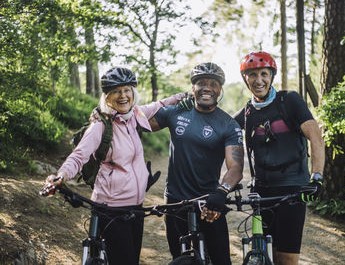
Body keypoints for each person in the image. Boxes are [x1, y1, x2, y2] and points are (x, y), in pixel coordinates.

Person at [42, 67, 186, 265]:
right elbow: (78, 156)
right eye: (117, 91)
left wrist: (185, 96)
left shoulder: (136, 115)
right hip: (110, 209)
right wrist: (61, 176)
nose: (123, 95)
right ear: (107, 97)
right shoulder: (100, 126)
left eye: (127, 90)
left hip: (135, 207)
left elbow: (160, 104)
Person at [233, 51, 325, 265]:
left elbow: (316, 138)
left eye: (264, 74)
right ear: (245, 79)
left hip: (292, 191)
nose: (259, 80)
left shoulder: (289, 101)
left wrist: (317, 177)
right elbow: (220, 129)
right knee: (261, 254)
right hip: (261, 193)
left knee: (285, 258)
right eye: (252, 75)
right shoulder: (247, 112)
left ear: (271, 76)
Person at [149, 62, 244, 265]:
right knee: (180, 260)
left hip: (209, 203)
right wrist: (104, 114)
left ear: (220, 89)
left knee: (221, 261)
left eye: (213, 83)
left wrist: (222, 191)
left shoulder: (228, 124)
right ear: (193, 88)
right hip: (175, 201)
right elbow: (136, 122)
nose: (207, 87)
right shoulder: (176, 112)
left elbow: (235, 168)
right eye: (201, 83)